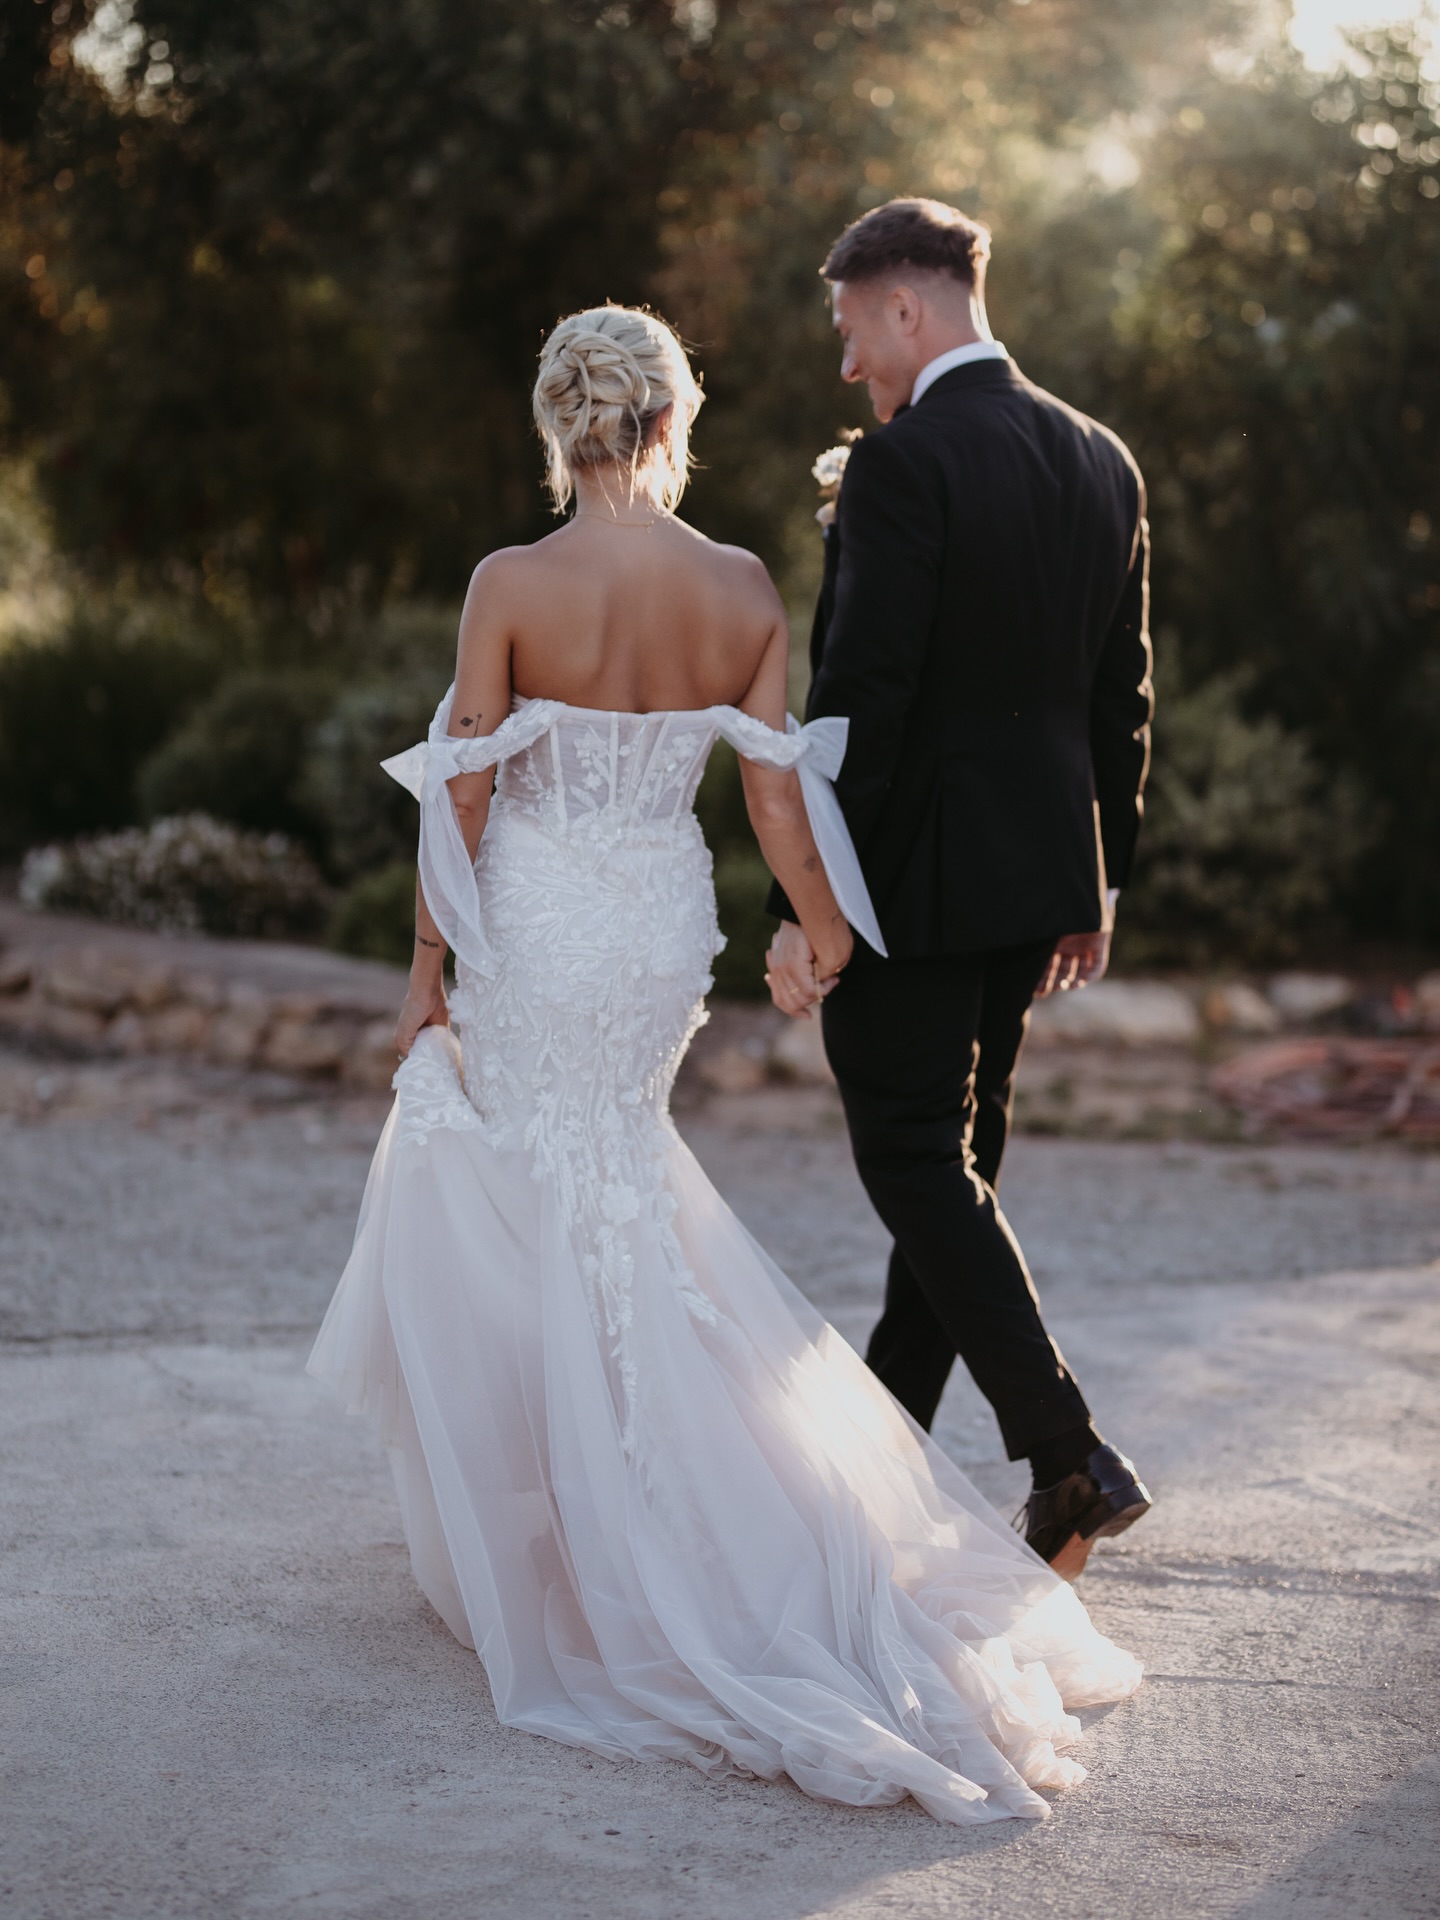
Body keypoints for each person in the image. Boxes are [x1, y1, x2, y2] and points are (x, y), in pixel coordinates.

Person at [308, 302, 1140, 1827]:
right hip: (650, 932)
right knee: (615, 1180)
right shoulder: (742, 585)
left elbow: (469, 807)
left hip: (542, 924)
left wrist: (425, 977)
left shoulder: (512, 581)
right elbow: (773, 806)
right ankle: (644, 1502)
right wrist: (818, 938)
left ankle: (573, 1531)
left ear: (563, 427)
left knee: (511, 1185)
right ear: (673, 422)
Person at [765, 198, 1155, 1578]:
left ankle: (1069, 1456)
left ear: (909, 310)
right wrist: (1094, 882)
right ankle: (873, 1474)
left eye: (852, 327)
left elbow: (859, 703)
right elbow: (1123, 703)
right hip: (1033, 884)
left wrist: (809, 905)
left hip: (912, 891)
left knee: (918, 1168)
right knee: (954, 1176)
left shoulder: (902, 465)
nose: (848, 362)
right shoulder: (1102, 459)